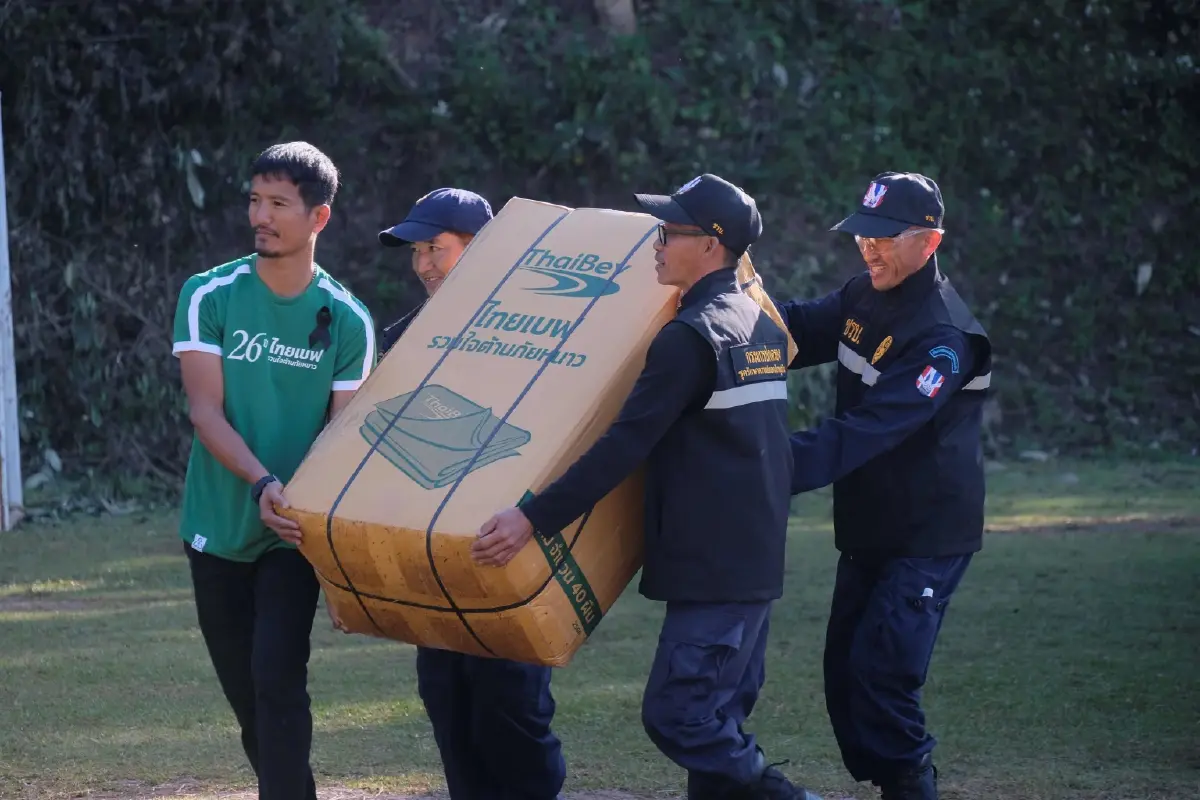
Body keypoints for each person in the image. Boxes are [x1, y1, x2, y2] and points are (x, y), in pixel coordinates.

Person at [474, 174, 823, 800]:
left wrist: (532, 517)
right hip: (752, 558)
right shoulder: (759, 325)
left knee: (679, 715)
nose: (655, 244)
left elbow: (623, 446)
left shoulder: (690, 338)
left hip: (714, 567)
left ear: (711, 245)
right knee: (715, 721)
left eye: (669, 233)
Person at [775, 172, 992, 800]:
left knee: (882, 672)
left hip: (927, 534)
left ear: (930, 242)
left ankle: (909, 783)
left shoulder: (944, 340)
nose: (869, 248)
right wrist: (721, 317)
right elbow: (791, 331)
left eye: (884, 237)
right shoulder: (861, 294)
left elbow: (870, 429)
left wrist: (765, 470)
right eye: (862, 235)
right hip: (869, 525)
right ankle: (894, 778)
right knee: (845, 674)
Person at [170, 142, 376, 800]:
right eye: (255, 200)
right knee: (248, 697)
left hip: (293, 532)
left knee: (278, 679)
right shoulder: (208, 294)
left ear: (319, 217)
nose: (260, 216)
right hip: (217, 524)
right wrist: (262, 482)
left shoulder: (349, 321)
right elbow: (204, 412)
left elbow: (342, 441)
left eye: (279, 203)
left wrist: (313, 524)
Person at [370, 187, 568, 800]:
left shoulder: (542, 337)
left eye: (437, 247)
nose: (424, 263)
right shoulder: (402, 339)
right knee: (446, 699)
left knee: (511, 705)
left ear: (483, 249)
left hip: (510, 549)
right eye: (417, 251)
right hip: (434, 558)